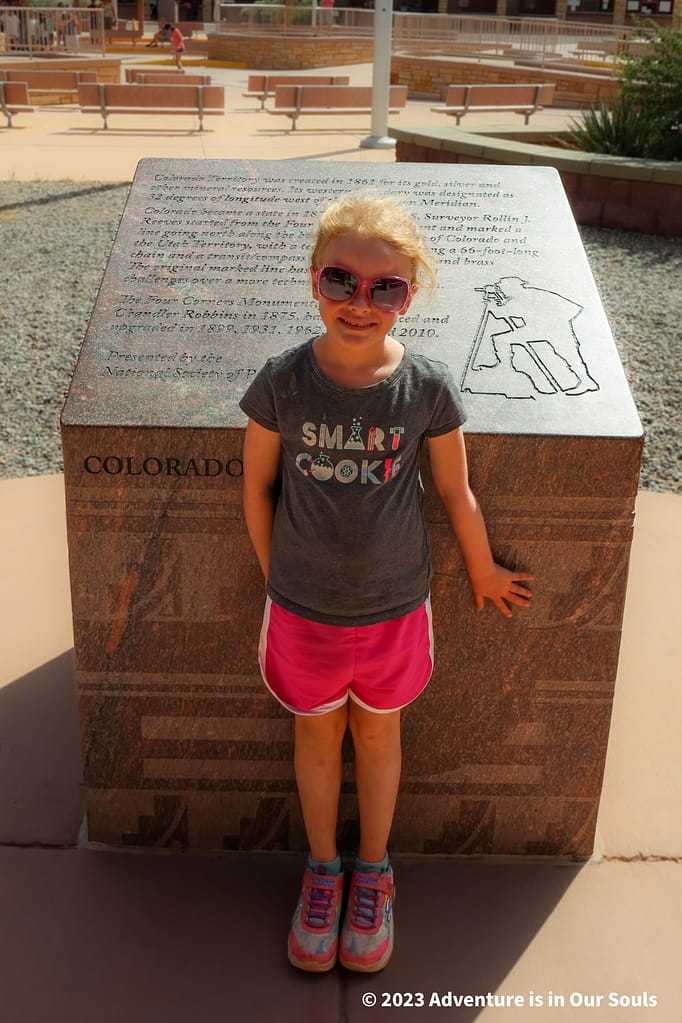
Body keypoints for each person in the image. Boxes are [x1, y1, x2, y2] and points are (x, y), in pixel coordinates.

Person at [239, 192, 533, 975]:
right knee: (314, 736)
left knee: (377, 733)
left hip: (396, 609)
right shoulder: (282, 381)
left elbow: (455, 493)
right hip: (302, 611)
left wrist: (484, 568)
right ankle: (323, 870)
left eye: (385, 288)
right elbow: (255, 490)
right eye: (341, 280)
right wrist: (280, 581)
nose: (359, 303)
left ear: (409, 294)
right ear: (313, 281)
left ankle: (374, 870)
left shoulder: (428, 388)